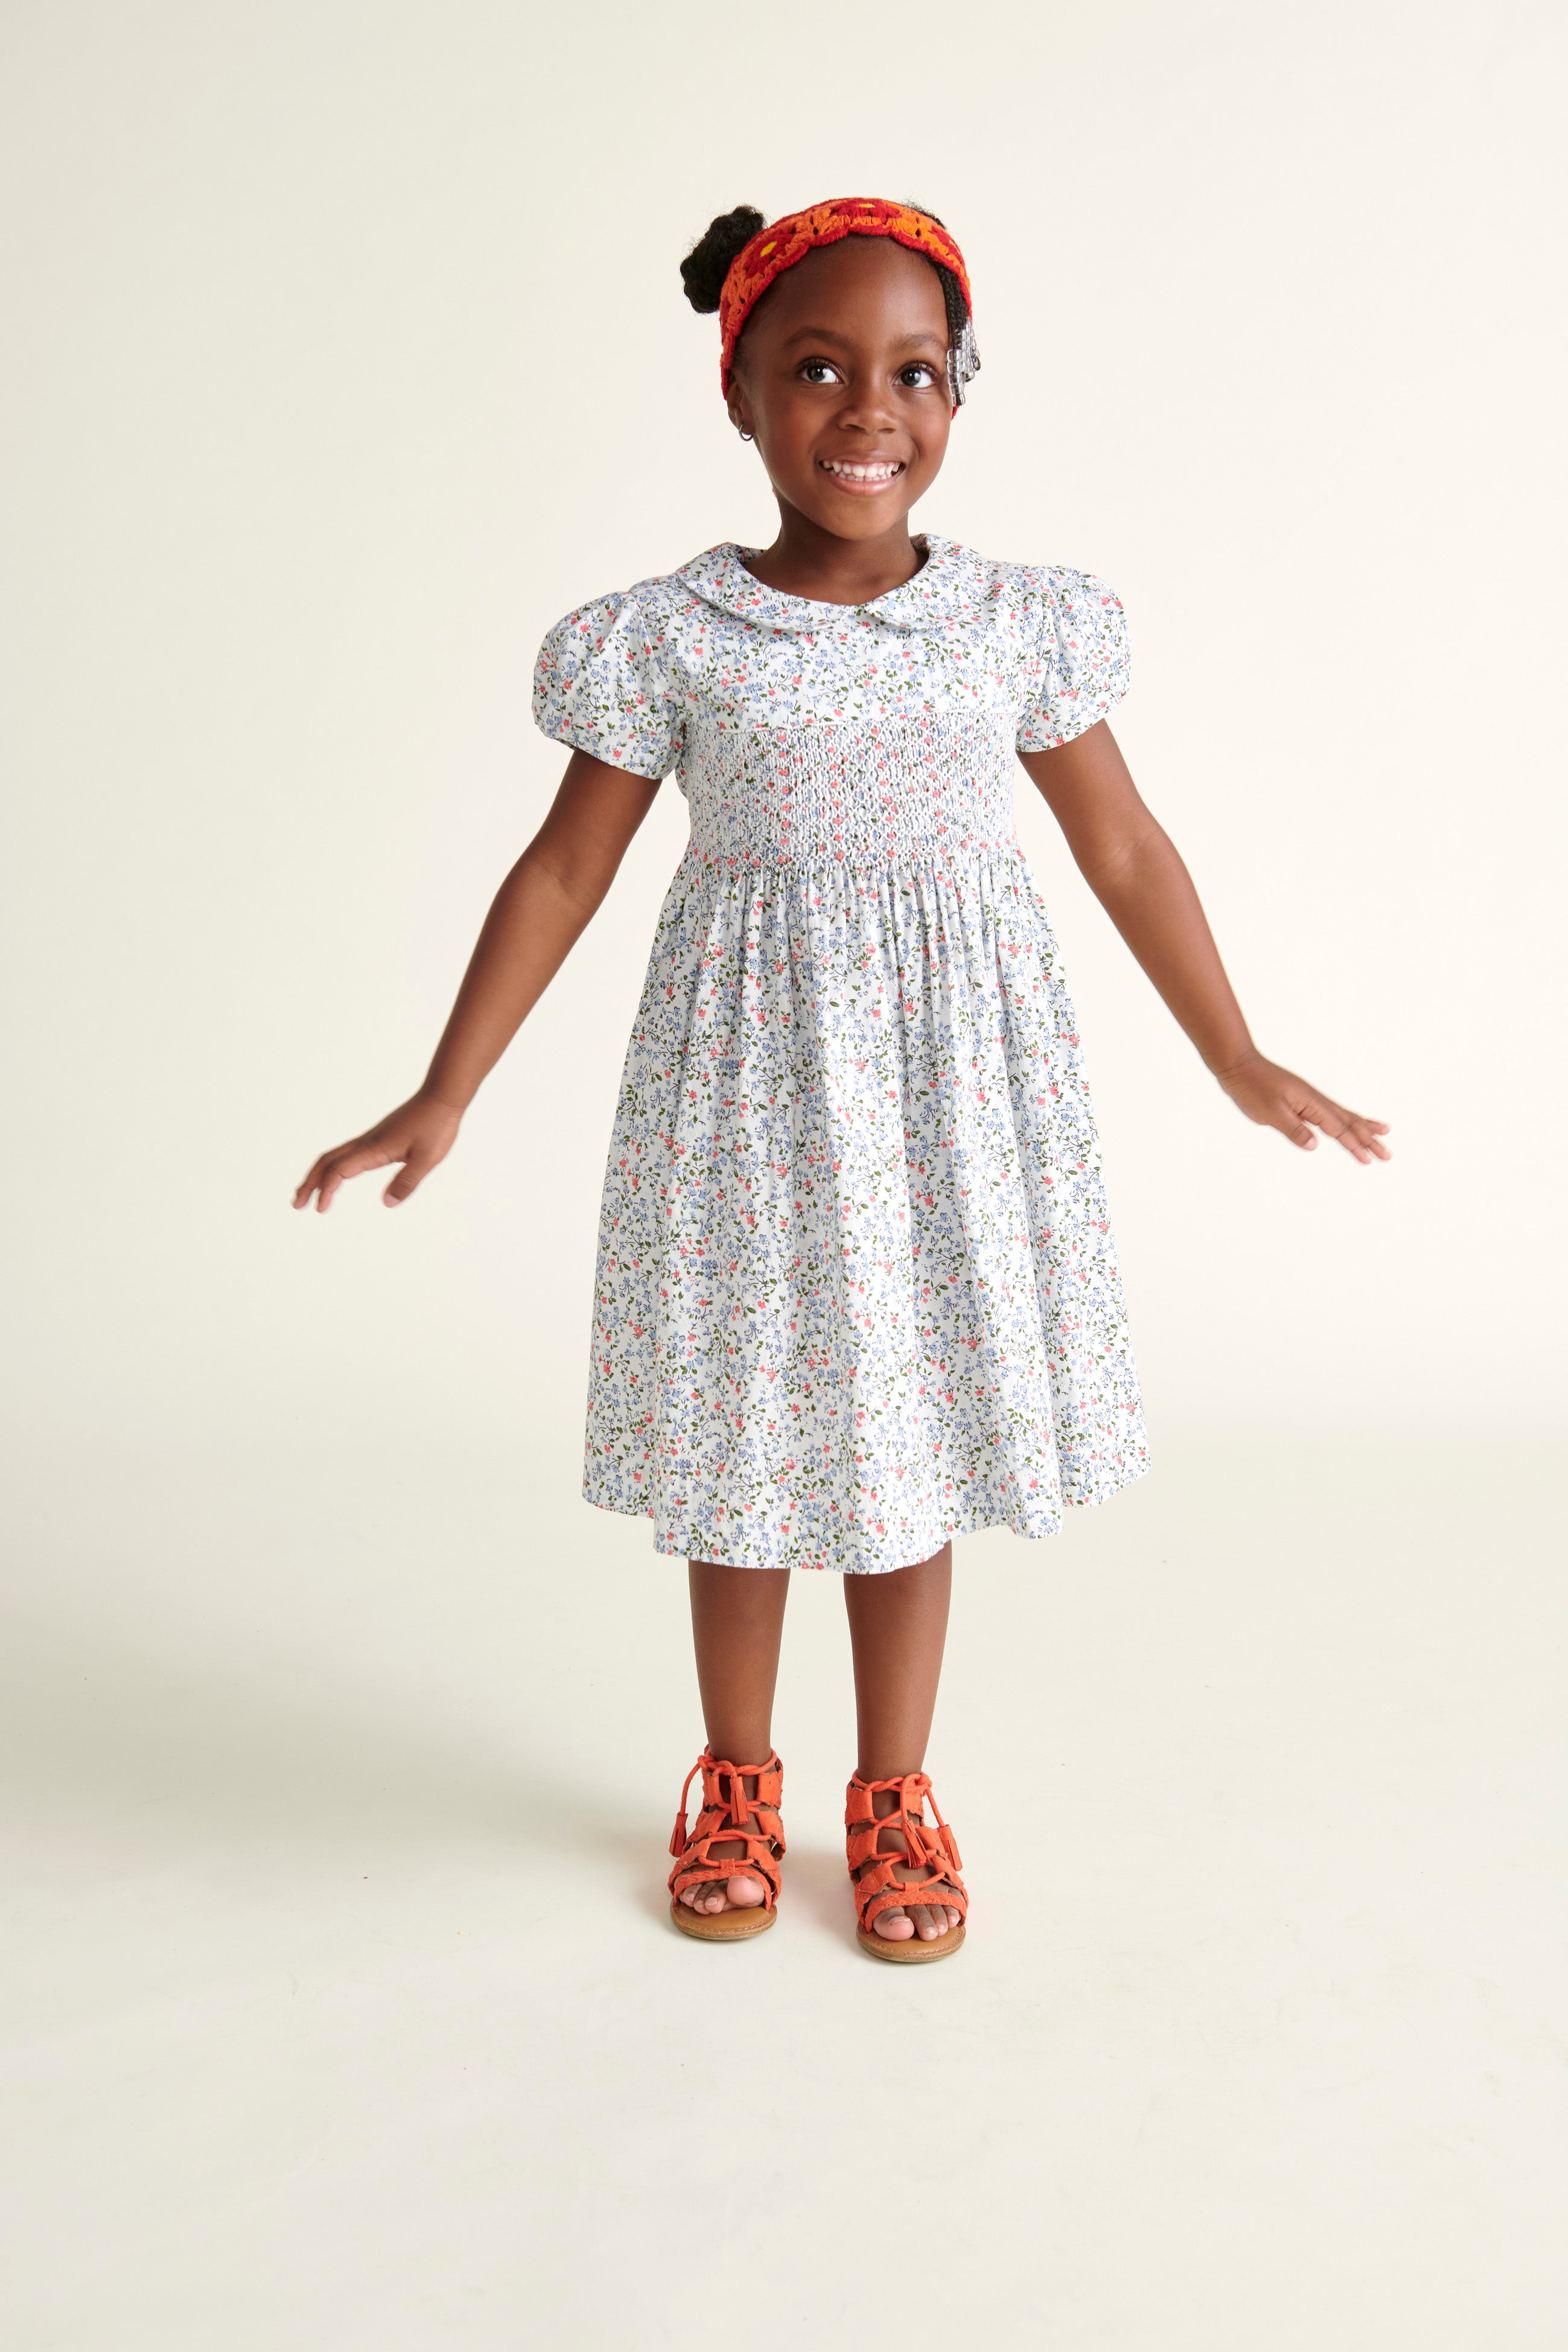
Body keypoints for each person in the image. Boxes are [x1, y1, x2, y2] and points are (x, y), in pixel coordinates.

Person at [294, 197, 1389, 1965]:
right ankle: (736, 1771)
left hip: (943, 1105)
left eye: (911, 371)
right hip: (746, 1095)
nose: (867, 410)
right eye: (816, 369)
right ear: (738, 391)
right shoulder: (673, 637)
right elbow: (564, 872)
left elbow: (1120, 847)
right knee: (744, 1443)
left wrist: (1237, 1050)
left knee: (902, 1452)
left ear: (959, 396)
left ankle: (895, 1790)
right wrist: (447, 1091)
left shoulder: (1011, 624)